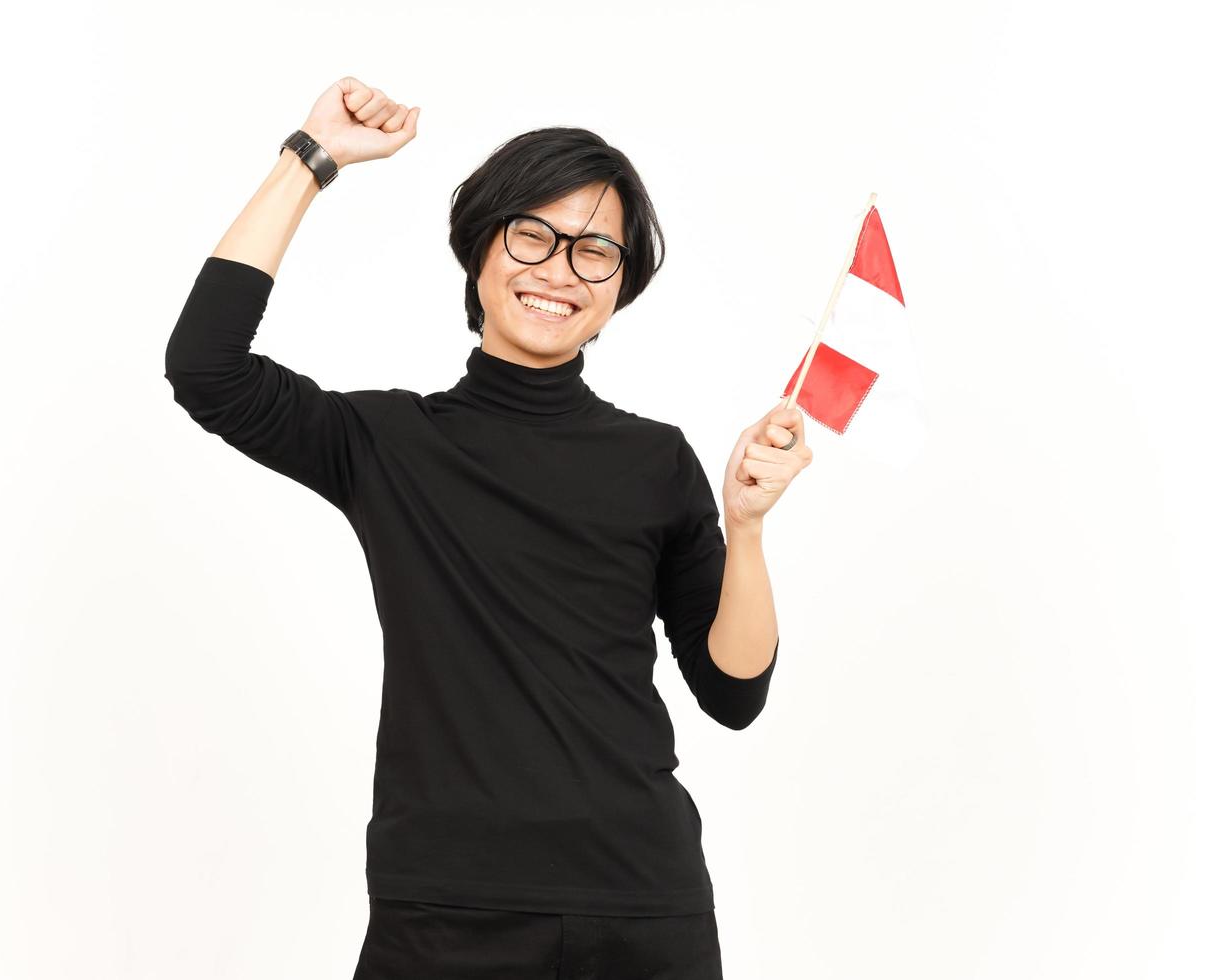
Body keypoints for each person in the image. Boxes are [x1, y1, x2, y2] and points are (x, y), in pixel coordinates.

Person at [163, 76, 812, 980]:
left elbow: (735, 692)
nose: (559, 270)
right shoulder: (388, 444)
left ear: (620, 285)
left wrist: (746, 529)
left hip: (641, 908)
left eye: (595, 251)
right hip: (443, 916)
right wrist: (311, 158)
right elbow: (205, 368)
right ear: (481, 252)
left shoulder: (656, 461)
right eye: (534, 235)